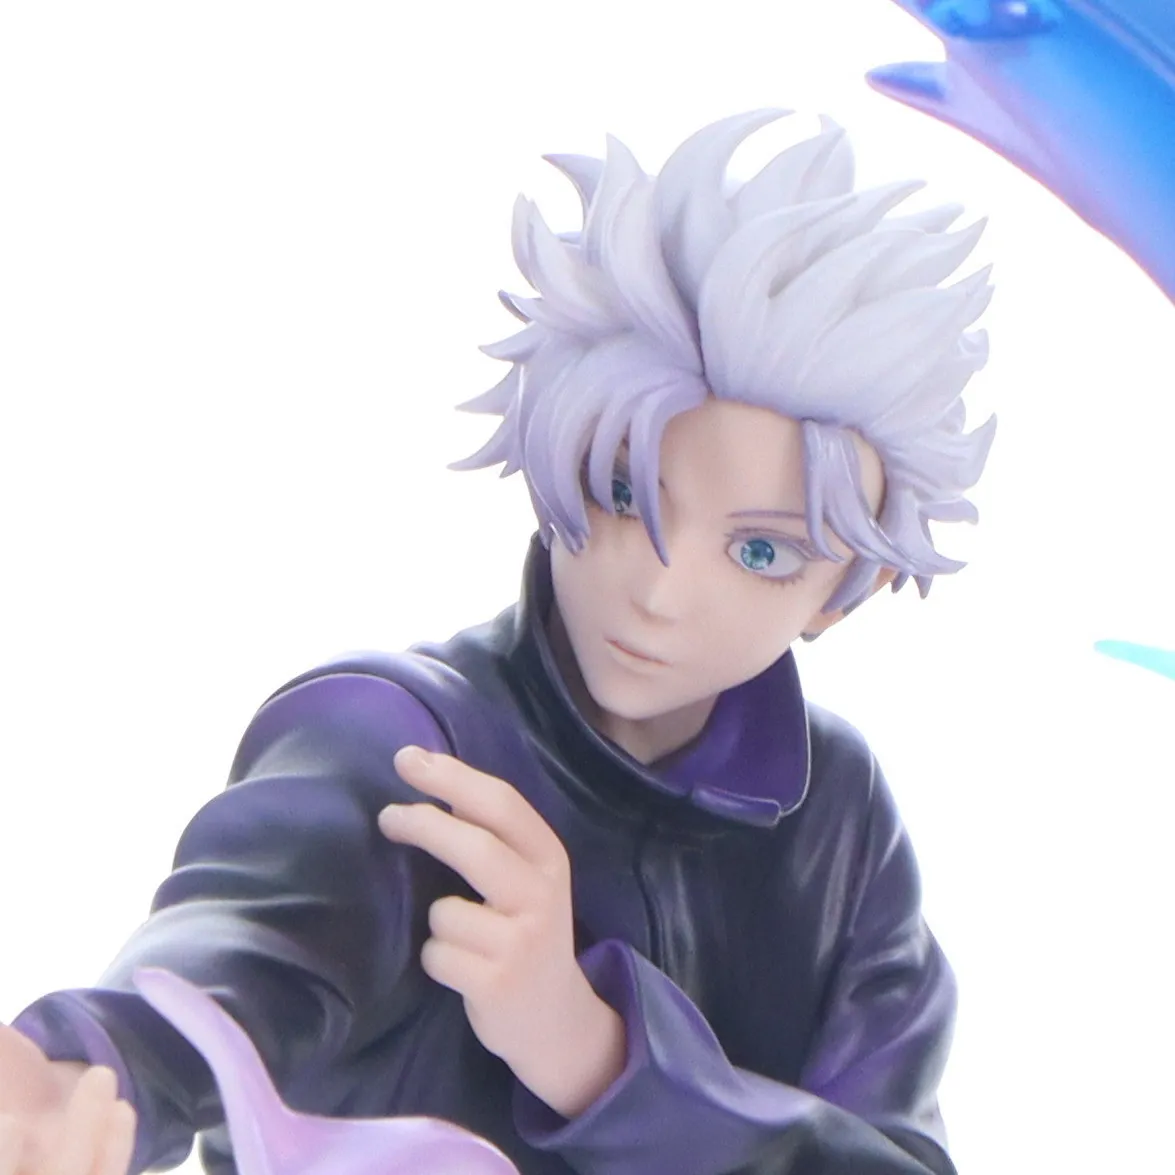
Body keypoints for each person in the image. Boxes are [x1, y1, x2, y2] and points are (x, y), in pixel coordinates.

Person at [0, 108, 995, 1175]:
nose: (658, 590)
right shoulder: (393, 742)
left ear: (844, 591)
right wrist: (79, 1075)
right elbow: (237, 955)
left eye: (759, 552)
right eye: (623, 492)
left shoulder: (836, 817)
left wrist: (600, 1056)